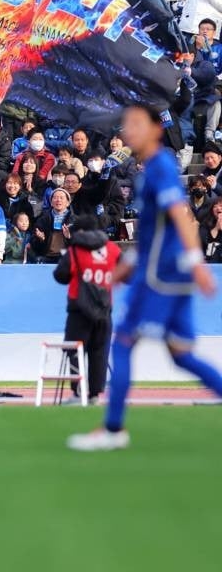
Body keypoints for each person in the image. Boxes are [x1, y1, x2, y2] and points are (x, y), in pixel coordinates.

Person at [69, 105, 222, 451]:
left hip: (161, 276)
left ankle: (112, 429)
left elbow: (179, 215)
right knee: (181, 353)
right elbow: (156, 231)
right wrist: (128, 263)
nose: (129, 131)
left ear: (156, 129)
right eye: (126, 125)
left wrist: (197, 262)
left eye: (137, 124)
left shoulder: (161, 167)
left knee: (122, 342)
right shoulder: (149, 168)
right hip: (166, 271)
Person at [52, 215, 119, 404]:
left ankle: (78, 393)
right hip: (105, 308)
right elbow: (126, 274)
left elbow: (60, 276)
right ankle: (95, 395)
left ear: (79, 232)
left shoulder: (74, 251)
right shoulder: (112, 249)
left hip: (79, 309)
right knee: (100, 352)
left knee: (75, 351)